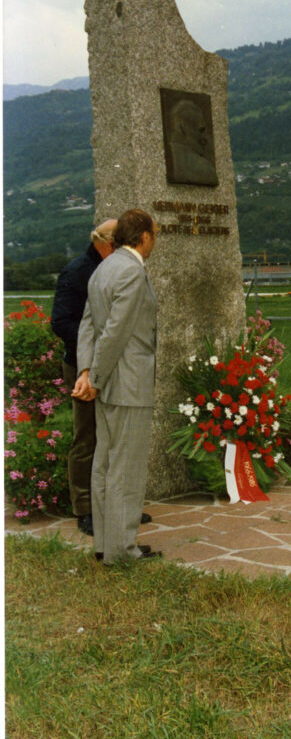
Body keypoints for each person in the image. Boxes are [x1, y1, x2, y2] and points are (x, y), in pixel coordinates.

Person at [50, 220, 151, 537]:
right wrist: (91, 359)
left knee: (115, 440)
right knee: (87, 438)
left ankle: (115, 506)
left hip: (114, 367)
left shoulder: (117, 269)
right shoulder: (78, 272)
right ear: (108, 243)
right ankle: (84, 508)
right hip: (83, 368)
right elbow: (62, 322)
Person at [74, 209, 161, 563]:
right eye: (154, 234)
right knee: (126, 469)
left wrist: (86, 371)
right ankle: (122, 551)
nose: (155, 241)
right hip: (128, 384)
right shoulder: (132, 271)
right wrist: (94, 378)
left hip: (108, 383)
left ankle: (104, 545)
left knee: (105, 465)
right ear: (144, 237)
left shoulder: (103, 268)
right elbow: (115, 332)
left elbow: (88, 325)